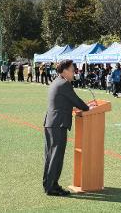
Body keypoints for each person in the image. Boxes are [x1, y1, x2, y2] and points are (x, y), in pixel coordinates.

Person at [43, 60, 94, 196]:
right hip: (58, 124)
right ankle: (51, 187)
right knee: (56, 156)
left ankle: (49, 184)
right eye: (72, 70)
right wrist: (88, 107)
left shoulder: (56, 81)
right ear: (65, 71)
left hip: (52, 122)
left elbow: (65, 101)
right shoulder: (64, 84)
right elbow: (76, 100)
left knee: (51, 156)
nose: (74, 72)